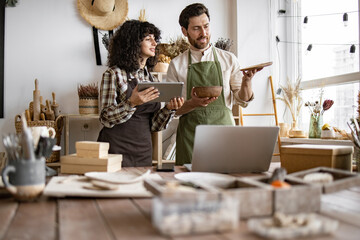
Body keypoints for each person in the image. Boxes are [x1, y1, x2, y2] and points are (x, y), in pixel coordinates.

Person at [166, 3, 262, 165]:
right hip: (191, 138)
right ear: (184, 31)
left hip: (224, 136)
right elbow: (171, 111)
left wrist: (247, 82)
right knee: (191, 185)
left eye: (206, 26)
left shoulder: (229, 59)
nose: (203, 33)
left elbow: (242, 100)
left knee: (225, 183)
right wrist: (192, 104)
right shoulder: (176, 64)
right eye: (196, 28)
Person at [98, 20, 184, 167]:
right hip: (115, 149)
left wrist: (169, 109)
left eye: (155, 39)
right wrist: (131, 103)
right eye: (148, 39)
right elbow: (105, 117)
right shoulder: (113, 74)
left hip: (143, 151)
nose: (155, 44)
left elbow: (154, 125)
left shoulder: (151, 78)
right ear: (133, 43)